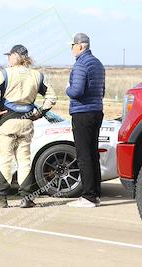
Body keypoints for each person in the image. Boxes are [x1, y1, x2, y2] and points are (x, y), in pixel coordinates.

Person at [0, 44, 57, 208]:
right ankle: (26, 198)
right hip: (27, 122)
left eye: (9, 56)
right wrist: (40, 113)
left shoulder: (5, 73)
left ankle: (2, 199)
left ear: (15, 56)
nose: (8, 59)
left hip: (7, 122)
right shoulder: (37, 75)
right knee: (24, 161)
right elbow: (51, 96)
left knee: (5, 160)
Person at [66, 33, 105, 208]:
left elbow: (76, 91)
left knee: (83, 155)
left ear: (81, 46)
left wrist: (67, 89)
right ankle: (96, 193)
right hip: (97, 111)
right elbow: (102, 91)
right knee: (92, 153)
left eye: (72, 45)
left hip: (82, 113)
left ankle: (88, 197)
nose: (72, 48)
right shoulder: (97, 63)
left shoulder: (81, 64)